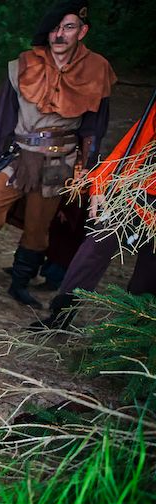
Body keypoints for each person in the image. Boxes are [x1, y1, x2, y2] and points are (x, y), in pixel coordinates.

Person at [0, 0, 116, 309]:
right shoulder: (24, 63)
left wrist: (86, 166)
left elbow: (95, 127)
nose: (60, 34)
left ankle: (19, 284)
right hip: (18, 154)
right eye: (55, 28)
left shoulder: (97, 69)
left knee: (38, 227)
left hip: (60, 160)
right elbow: (4, 114)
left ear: (82, 31)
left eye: (68, 27)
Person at [35, 92, 156, 329]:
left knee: (149, 272)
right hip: (134, 192)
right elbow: (127, 148)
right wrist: (99, 185)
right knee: (95, 246)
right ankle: (62, 314)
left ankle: (132, 331)